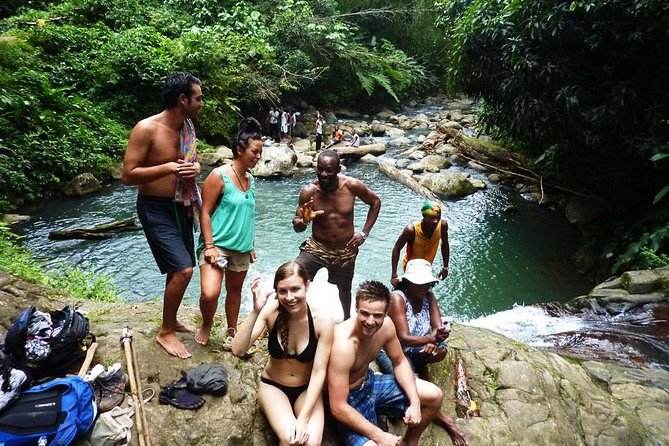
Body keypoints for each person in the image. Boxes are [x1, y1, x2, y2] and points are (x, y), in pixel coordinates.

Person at [122, 71, 203, 359]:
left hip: (180, 205)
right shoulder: (147, 128)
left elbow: (193, 162)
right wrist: (168, 167)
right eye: (198, 98)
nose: (201, 103)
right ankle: (164, 332)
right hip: (154, 207)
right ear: (183, 99)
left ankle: (171, 320)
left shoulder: (187, 127)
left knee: (178, 268)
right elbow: (128, 175)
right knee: (183, 270)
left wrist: (195, 170)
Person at [327, 280, 444, 446]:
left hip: (371, 383)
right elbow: (338, 407)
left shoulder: (386, 326)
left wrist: (415, 402)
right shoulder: (343, 345)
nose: (370, 321)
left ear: (386, 312)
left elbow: (399, 361)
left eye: (377, 315)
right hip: (349, 401)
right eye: (365, 313)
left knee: (434, 396)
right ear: (356, 308)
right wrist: (380, 436)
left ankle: (409, 442)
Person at [232, 262, 334, 446]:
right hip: (273, 387)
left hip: (306, 389)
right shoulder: (271, 312)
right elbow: (238, 349)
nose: (289, 297)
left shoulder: (323, 321)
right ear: (276, 292)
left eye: (295, 289)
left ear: (307, 285)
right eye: (283, 291)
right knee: (289, 438)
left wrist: (303, 419)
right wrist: (256, 311)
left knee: (311, 442)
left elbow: (319, 372)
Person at [376, 260, 468, 445]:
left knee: (441, 351)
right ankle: (445, 421)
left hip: (416, 346)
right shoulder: (397, 298)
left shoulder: (429, 297)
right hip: (392, 350)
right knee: (416, 387)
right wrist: (432, 339)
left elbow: (437, 329)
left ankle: (421, 362)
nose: (424, 287)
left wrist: (437, 339)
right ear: (408, 283)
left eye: (427, 283)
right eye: (419, 283)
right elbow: (403, 337)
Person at [195, 118, 263, 347]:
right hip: (218, 244)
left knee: (234, 290)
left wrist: (251, 244)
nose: (258, 156)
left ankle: (231, 329)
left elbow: (248, 215)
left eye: (260, 152)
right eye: (254, 152)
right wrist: (209, 246)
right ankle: (206, 323)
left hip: (241, 247)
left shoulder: (251, 180)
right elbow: (204, 213)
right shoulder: (219, 176)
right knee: (210, 293)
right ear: (239, 150)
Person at [292, 150, 381, 320]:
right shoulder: (309, 191)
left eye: (329, 170)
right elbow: (297, 227)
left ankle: (347, 320)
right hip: (316, 247)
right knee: (296, 276)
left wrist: (364, 233)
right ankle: (295, 318)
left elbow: (375, 202)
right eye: (320, 170)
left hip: (345, 249)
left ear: (339, 169)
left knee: (344, 289)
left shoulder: (352, 186)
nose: (324, 174)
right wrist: (304, 220)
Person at [390, 201, 449, 287]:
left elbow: (445, 245)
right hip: (411, 267)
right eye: (432, 218)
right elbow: (397, 248)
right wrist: (394, 275)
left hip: (426, 267)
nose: (436, 221)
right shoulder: (411, 230)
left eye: (438, 217)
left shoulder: (442, 226)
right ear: (424, 216)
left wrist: (445, 268)